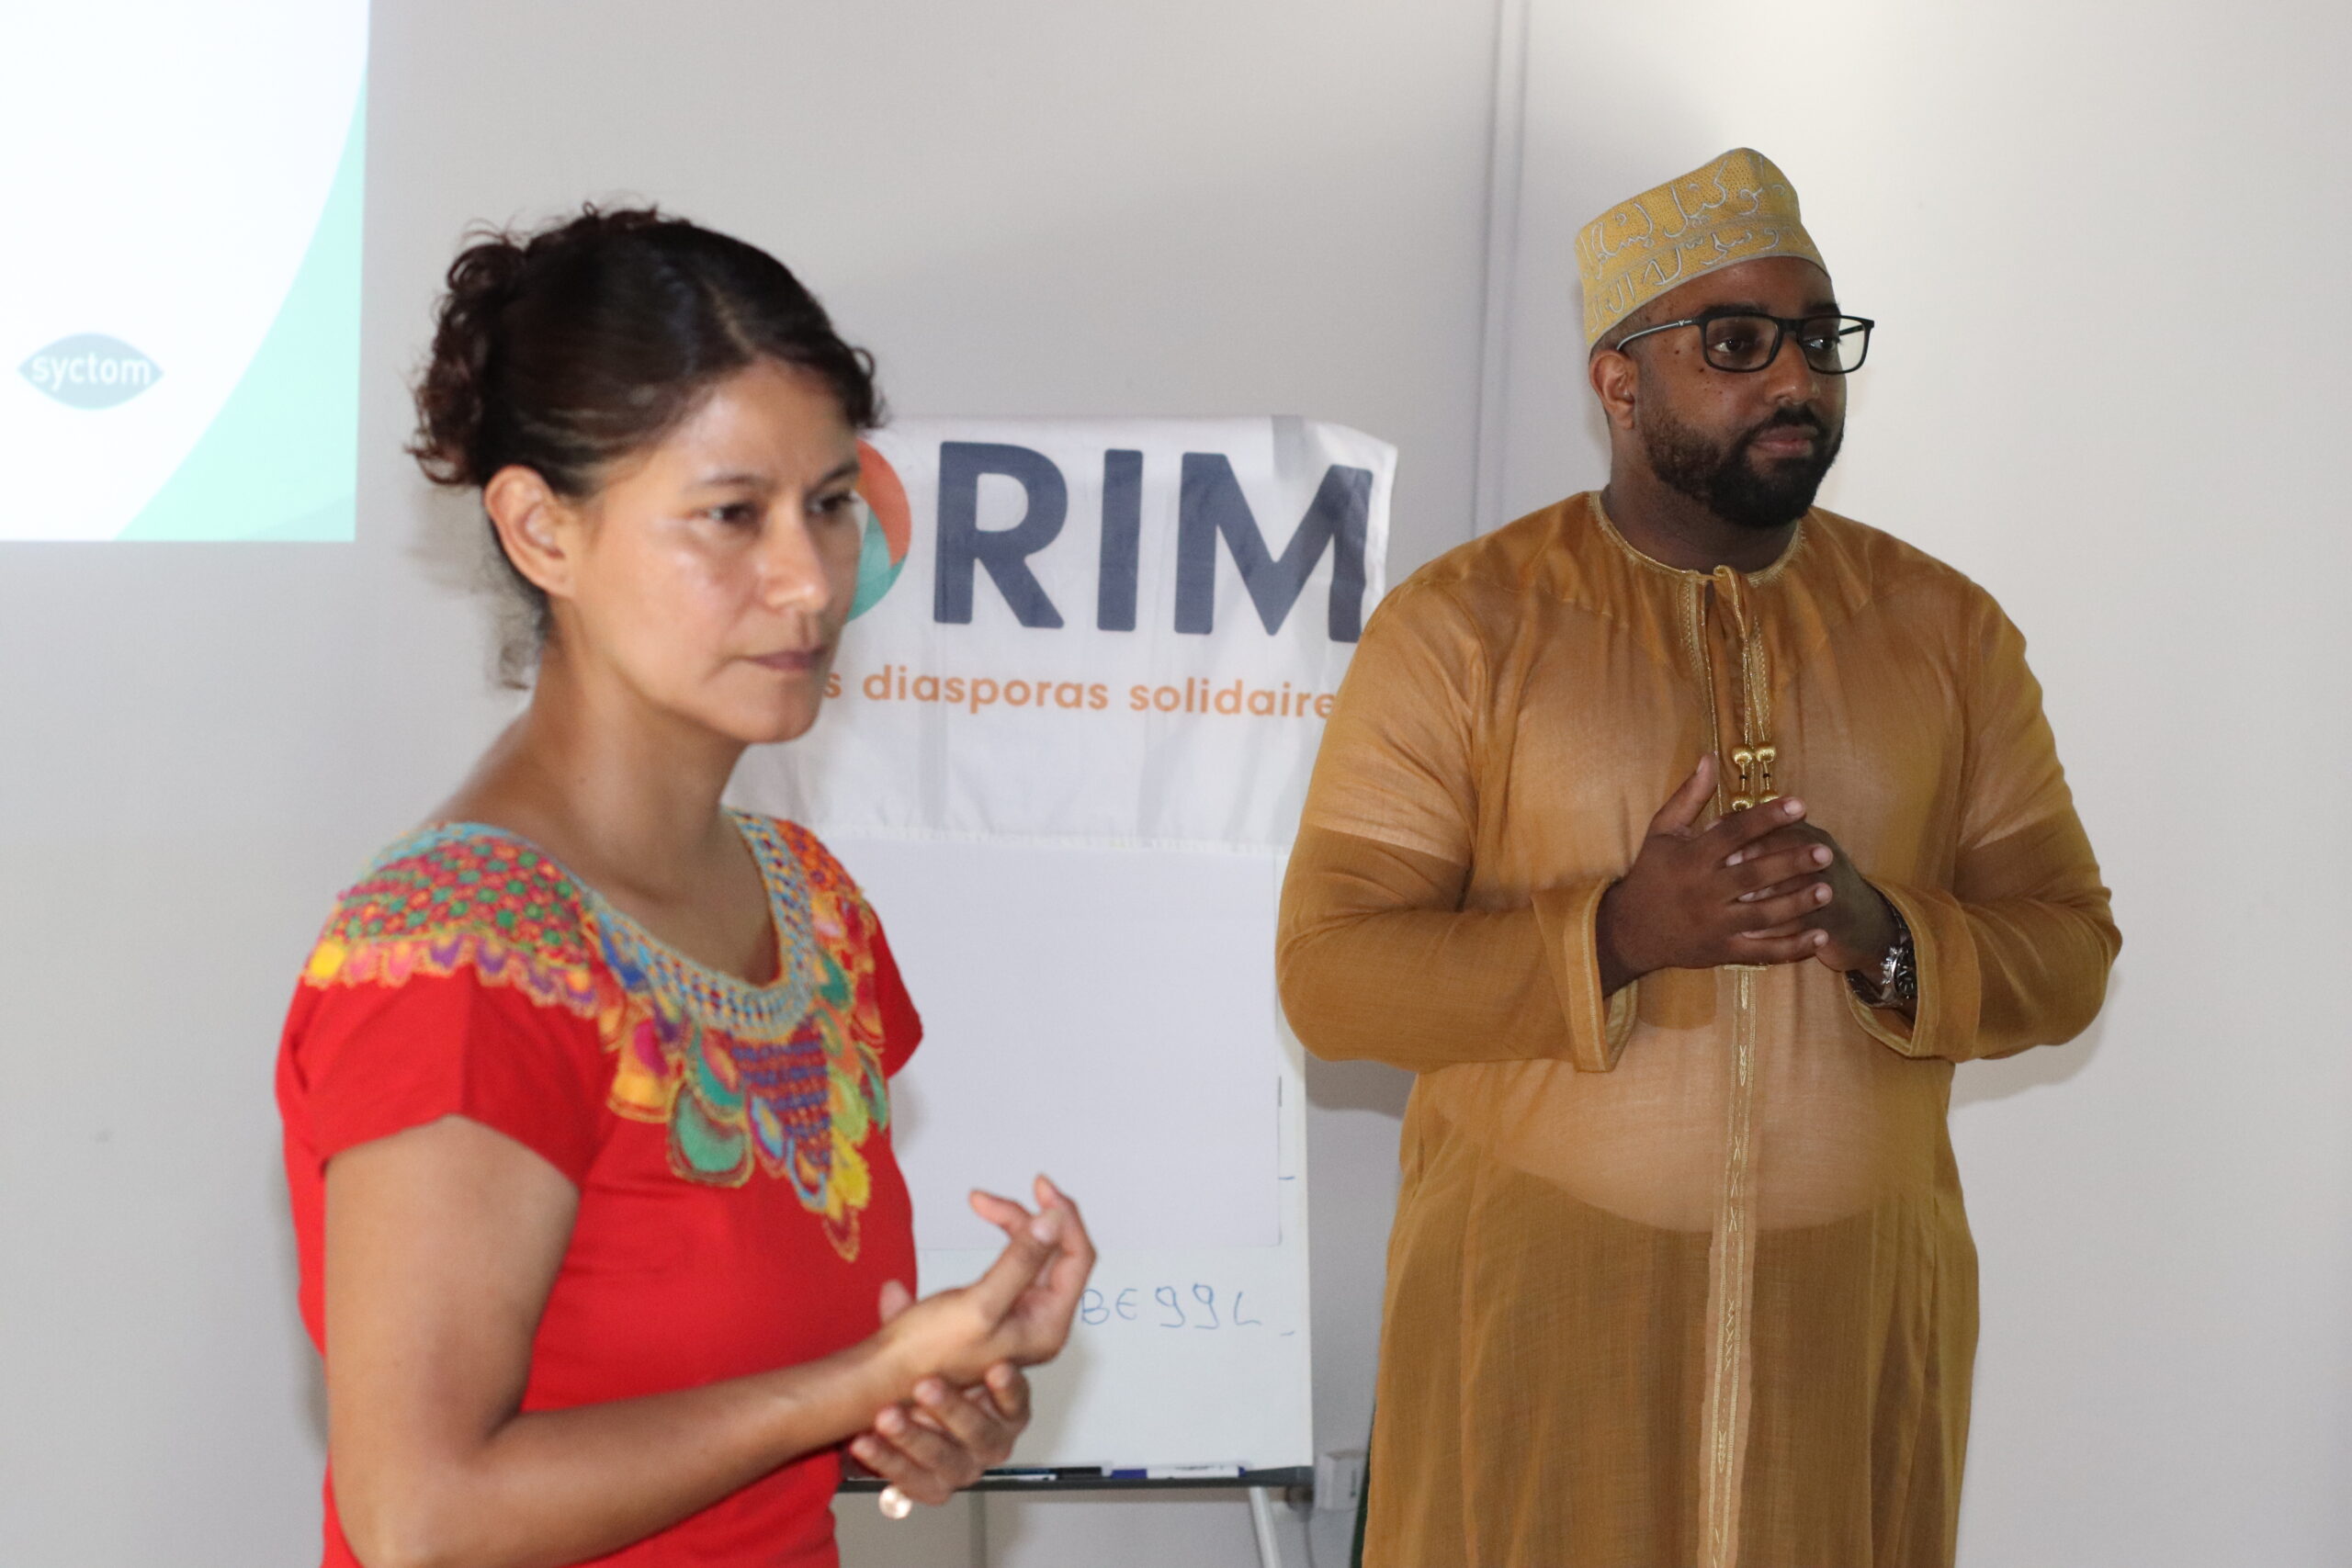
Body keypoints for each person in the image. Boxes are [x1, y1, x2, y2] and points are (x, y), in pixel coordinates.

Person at [1276, 149, 2119, 1568]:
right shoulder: (1464, 628)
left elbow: (2071, 948)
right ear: (1619, 382)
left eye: (1819, 341)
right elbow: (1331, 974)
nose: (1795, 379)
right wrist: (1614, 933)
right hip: (1541, 1327)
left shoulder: (1944, 632)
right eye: (1737, 342)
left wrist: (1887, 937)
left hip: (1844, 1340)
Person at [275, 208, 1095, 1568]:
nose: (810, 582)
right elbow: (421, 1517)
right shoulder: (459, 955)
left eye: (830, 503)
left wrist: (921, 1414)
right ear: (541, 530)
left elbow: (719, 1399)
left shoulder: (810, 906)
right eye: (730, 515)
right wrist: (851, 1382)